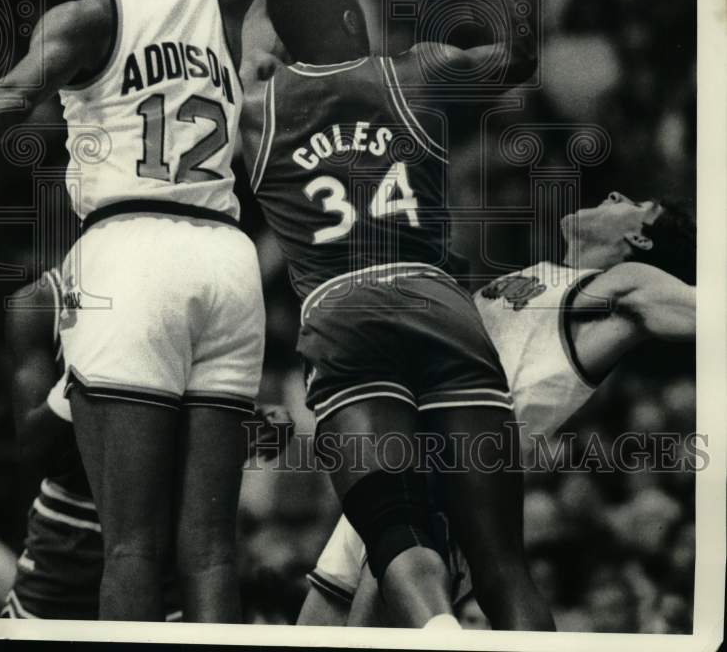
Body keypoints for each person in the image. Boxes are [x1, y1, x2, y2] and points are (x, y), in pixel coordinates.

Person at [0, 0, 457, 622]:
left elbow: (2, 99)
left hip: (131, 256)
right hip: (226, 259)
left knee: (131, 544)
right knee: (208, 549)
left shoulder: (84, 16)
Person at [241, 0, 554, 631]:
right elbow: (517, 50)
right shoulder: (418, 74)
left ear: (281, 38)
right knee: (501, 562)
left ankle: (440, 633)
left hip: (343, 317)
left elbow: (262, 3)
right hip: (436, 304)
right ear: (358, 22)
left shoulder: (254, 108)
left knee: (394, 528)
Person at [297, 192, 696, 627]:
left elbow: (704, 310)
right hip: (398, 446)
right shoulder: (538, 275)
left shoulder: (625, 284)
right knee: (317, 617)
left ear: (639, 235)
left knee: (372, 630)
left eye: (636, 203)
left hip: (452, 480)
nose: (615, 194)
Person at [0, 270, 292, 620]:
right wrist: (96, 367)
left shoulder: (197, 291)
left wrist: (245, 427)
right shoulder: (42, 302)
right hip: (67, 549)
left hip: (168, 552)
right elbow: (35, 449)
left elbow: (190, 427)